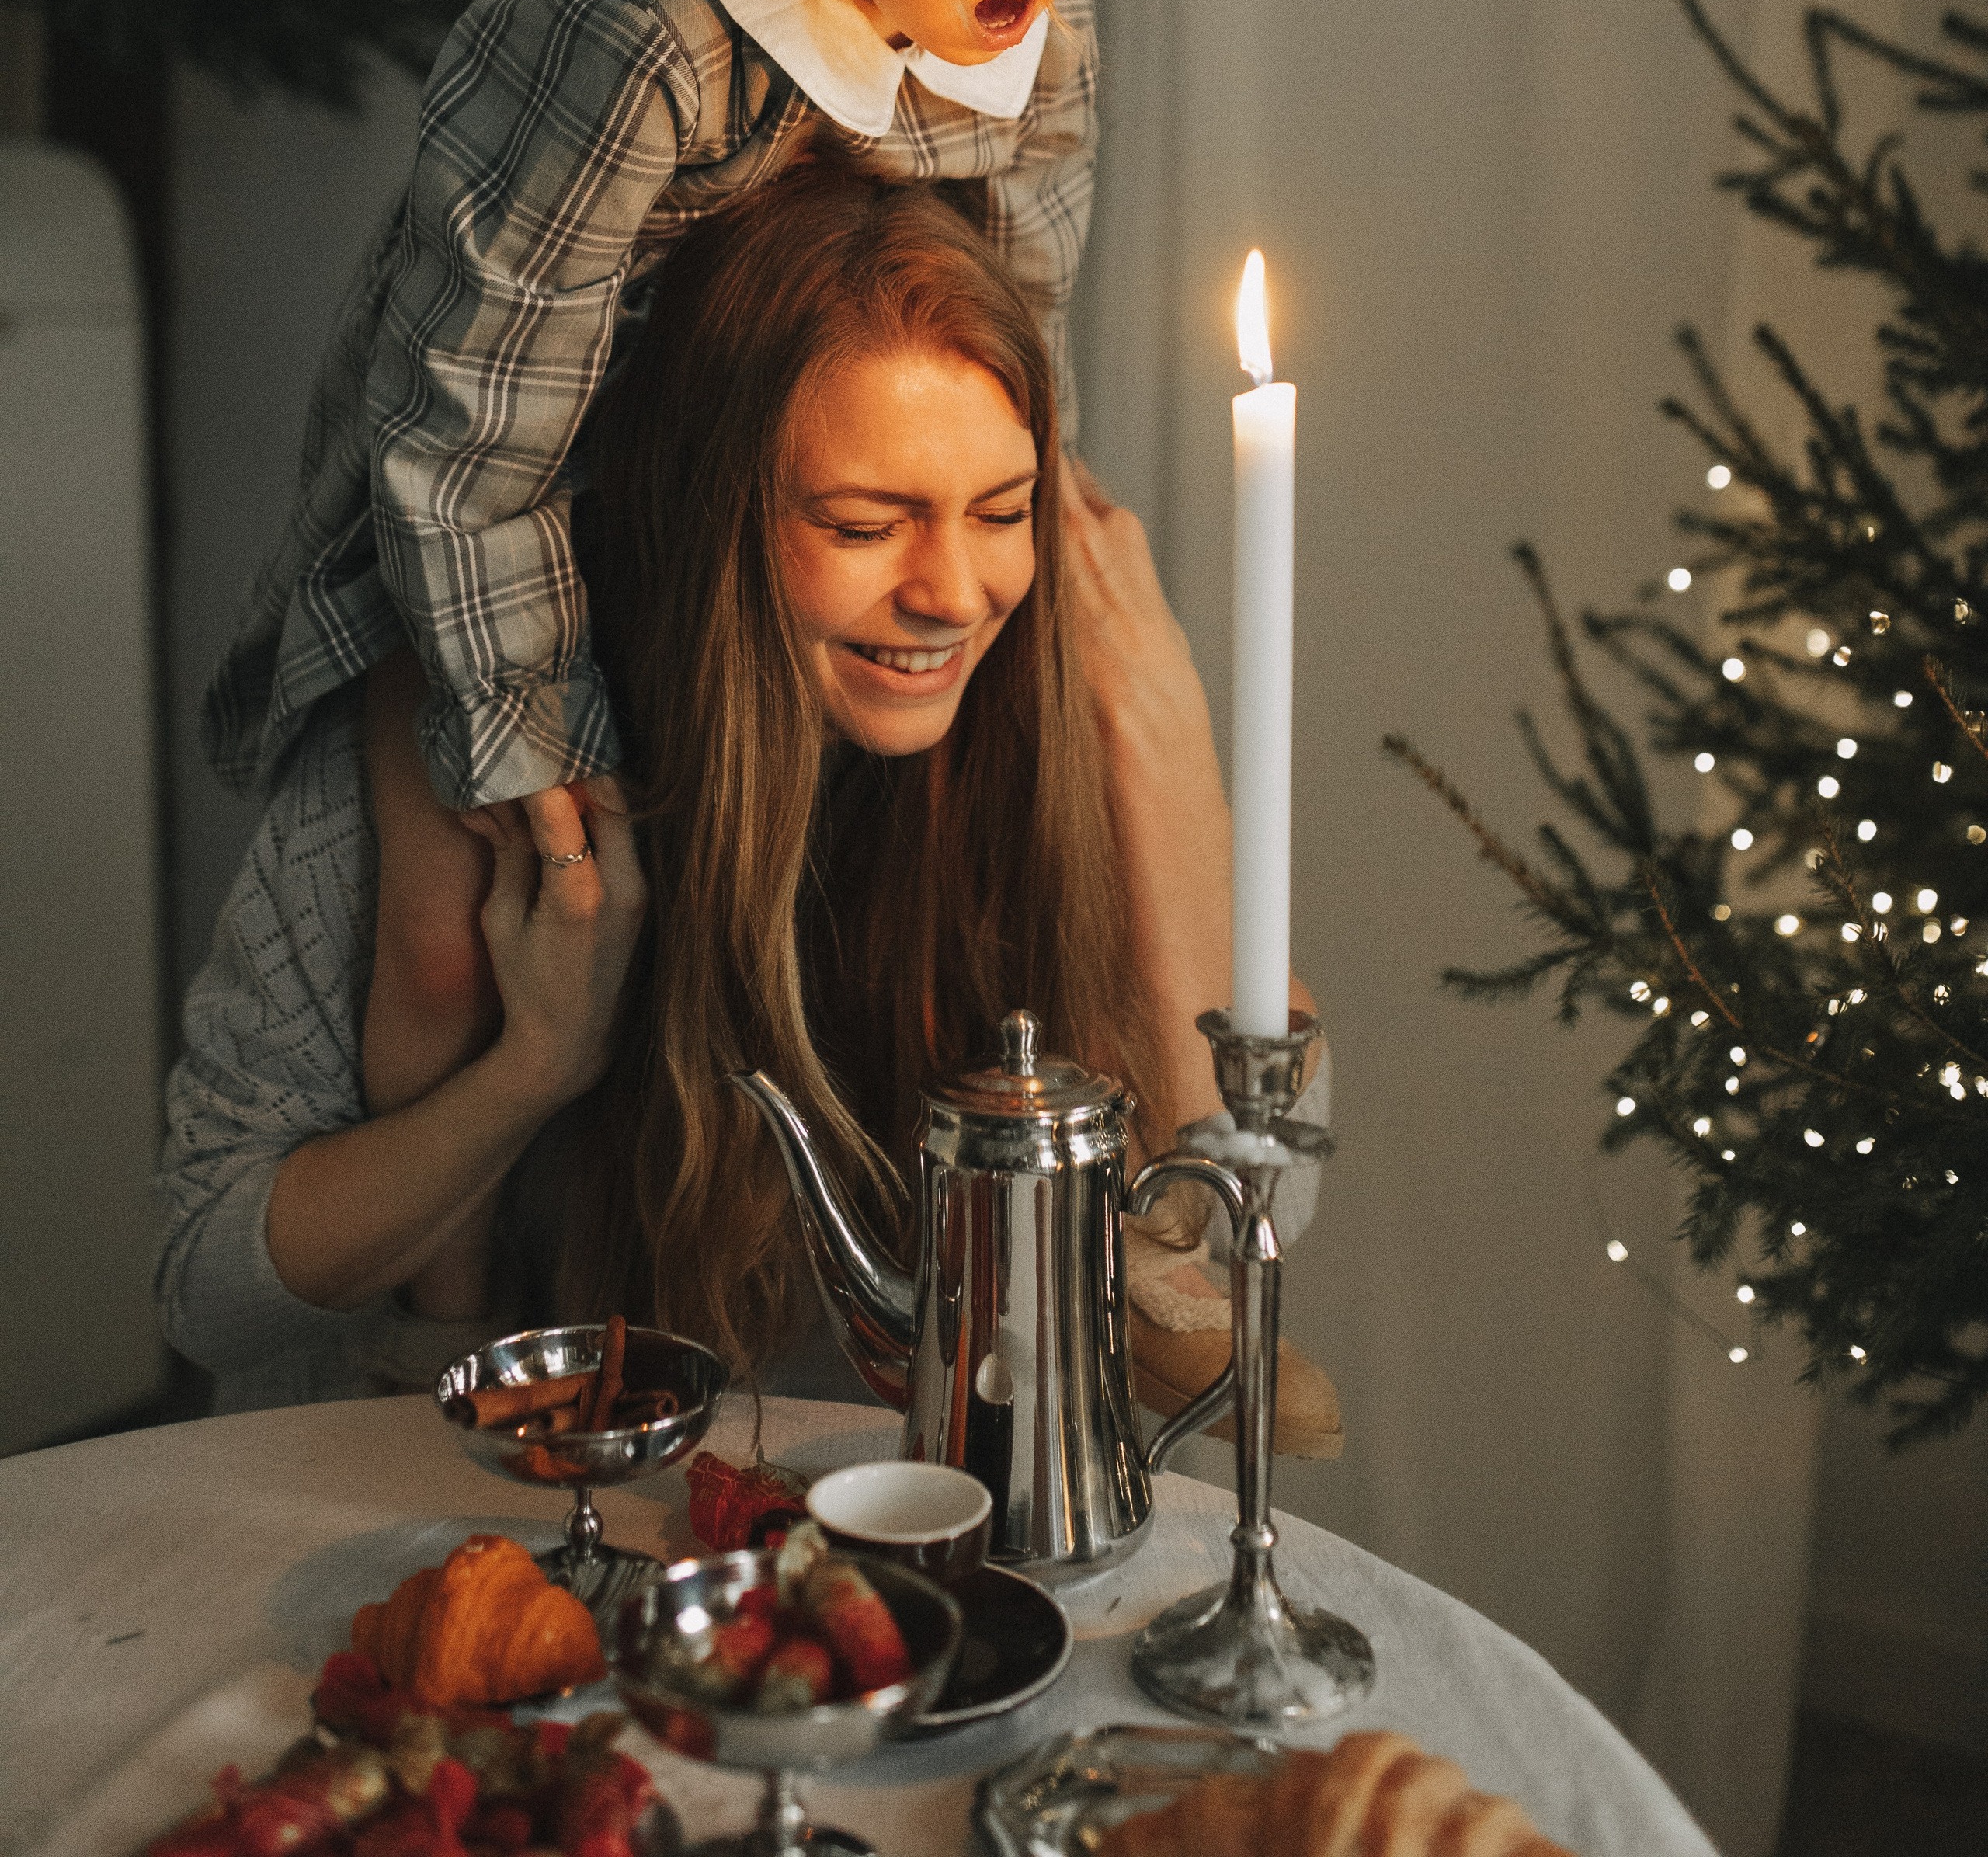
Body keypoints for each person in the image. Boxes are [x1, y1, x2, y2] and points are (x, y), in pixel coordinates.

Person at [197, 0, 1174, 1323]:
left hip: (757, 547)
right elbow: (462, 437)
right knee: (457, 920)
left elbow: (1006, 325)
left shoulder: (1035, 37)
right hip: (481, 544)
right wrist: (539, 740)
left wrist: (992, 526)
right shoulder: (626, 44)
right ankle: (442, 1325)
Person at [160, 175, 1336, 1438]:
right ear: (708, 518)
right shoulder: (482, 770)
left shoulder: (1051, 728)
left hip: (887, 1511)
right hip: (473, 1492)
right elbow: (206, 1290)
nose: (953, 592)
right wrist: (534, 1067)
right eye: (864, 525)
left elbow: (1258, 1215)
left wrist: (1173, 774)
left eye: (1002, 512)